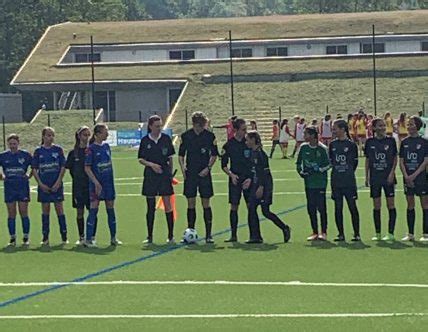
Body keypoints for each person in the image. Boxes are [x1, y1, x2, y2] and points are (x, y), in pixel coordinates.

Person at [179, 112, 218, 243]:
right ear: (194, 124)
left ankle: (209, 235)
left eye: (203, 125)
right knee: (191, 202)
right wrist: (183, 169)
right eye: (199, 125)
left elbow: (214, 155)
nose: (201, 128)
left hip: (204, 173)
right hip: (191, 173)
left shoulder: (209, 136)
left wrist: (208, 168)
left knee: (205, 202)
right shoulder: (186, 136)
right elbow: (181, 155)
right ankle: (191, 231)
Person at [245, 130, 290, 243]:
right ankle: (255, 236)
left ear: (253, 140)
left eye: (247, 139)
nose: (246, 142)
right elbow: (254, 170)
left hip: (264, 186)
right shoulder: (252, 152)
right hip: (255, 185)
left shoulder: (261, 154)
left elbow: (265, 173)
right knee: (251, 208)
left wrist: (261, 187)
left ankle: (284, 227)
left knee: (265, 211)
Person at [138, 115, 175, 244]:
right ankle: (149, 236)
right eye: (157, 126)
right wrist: (152, 165)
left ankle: (170, 236)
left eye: (160, 126)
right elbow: (141, 159)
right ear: (150, 126)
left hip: (164, 176)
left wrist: (169, 175)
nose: (159, 128)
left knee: (167, 205)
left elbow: (170, 158)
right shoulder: (145, 141)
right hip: (150, 176)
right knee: (150, 206)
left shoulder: (166, 139)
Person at [84, 124, 121, 247]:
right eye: (105, 132)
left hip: (108, 184)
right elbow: (87, 168)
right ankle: (88, 239)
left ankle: (113, 238)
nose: (107, 134)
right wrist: (96, 183)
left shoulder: (106, 146)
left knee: (110, 209)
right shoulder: (91, 149)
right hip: (96, 185)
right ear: (98, 134)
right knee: (94, 210)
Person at [32, 127, 68, 246]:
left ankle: (64, 236)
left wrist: (58, 182)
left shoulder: (58, 150)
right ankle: (45, 237)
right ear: (43, 136)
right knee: (45, 211)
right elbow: (34, 169)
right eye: (48, 135)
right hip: (44, 186)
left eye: (52, 135)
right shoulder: (38, 151)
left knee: (60, 210)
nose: (50, 137)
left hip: (56, 185)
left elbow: (63, 166)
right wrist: (40, 184)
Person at [365, 118, 398, 241]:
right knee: (377, 206)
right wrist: (367, 176)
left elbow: (395, 158)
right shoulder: (370, 142)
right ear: (374, 128)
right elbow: (368, 160)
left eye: (384, 125)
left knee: (391, 205)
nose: (383, 128)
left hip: (388, 177)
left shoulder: (391, 141)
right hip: (375, 178)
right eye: (380, 126)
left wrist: (391, 174)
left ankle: (391, 233)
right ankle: (378, 233)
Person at [296, 126, 330, 241]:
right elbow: (298, 163)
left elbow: (329, 164)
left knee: (321, 207)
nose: (304, 136)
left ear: (312, 135)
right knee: (311, 208)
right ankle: (315, 232)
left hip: (320, 183)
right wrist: (301, 172)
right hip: (308, 183)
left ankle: (323, 232)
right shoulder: (303, 147)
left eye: (306, 134)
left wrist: (319, 169)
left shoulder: (322, 148)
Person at [221, 118, 252, 242]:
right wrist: (231, 175)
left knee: (251, 206)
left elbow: (254, 162)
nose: (245, 132)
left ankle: (253, 235)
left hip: (248, 179)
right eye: (243, 129)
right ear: (235, 130)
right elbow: (223, 165)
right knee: (234, 206)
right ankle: (233, 235)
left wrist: (250, 178)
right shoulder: (228, 145)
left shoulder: (248, 143)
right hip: (235, 179)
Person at [329, 120, 360, 242]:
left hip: (348, 181)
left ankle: (357, 233)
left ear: (342, 129)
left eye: (335, 128)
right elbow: (331, 160)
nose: (334, 130)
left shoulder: (351, 145)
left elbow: (355, 163)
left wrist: (347, 172)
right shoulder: (332, 144)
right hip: (336, 181)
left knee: (352, 207)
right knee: (338, 208)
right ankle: (341, 234)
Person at [399, 116, 428, 242]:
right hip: (408, 178)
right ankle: (410, 234)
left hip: (421, 177)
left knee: (425, 204)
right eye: (408, 124)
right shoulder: (404, 142)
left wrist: (414, 175)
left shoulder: (424, 142)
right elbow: (401, 161)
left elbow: (425, 161)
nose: (409, 126)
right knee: (410, 204)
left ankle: (426, 233)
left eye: (411, 124)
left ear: (417, 126)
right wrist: (406, 176)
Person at [0, 134, 32, 246]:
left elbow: (35, 166)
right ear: (8, 144)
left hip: (22, 187)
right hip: (9, 187)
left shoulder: (25, 155)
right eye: (10, 144)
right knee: (11, 213)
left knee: (24, 212)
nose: (13, 146)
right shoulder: (3, 156)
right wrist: (2, 176)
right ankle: (12, 238)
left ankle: (26, 236)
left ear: (18, 143)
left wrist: (29, 175)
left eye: (14, 143)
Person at [65, 126, 95, 246]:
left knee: (92, 211)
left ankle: (92, 236)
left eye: (88, 135)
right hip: (78, 187)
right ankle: (81, 236)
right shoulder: (73, 153)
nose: (86, 137)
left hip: (90, 186)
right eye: (84, 135)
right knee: (79, 212)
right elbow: (70, 169)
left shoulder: (91, 150)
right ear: (78, 136)